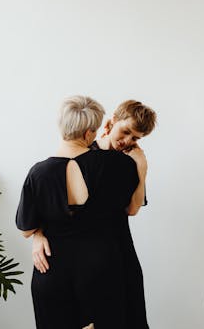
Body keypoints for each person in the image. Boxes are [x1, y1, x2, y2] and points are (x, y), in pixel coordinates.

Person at [16, 96, 145, 329]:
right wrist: (141, 166)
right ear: (88, 133)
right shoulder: (118, 165)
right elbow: (132, 208)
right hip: (102, 273)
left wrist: (38, 234)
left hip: (51, 272)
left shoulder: (38, 173)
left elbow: (26, 228)